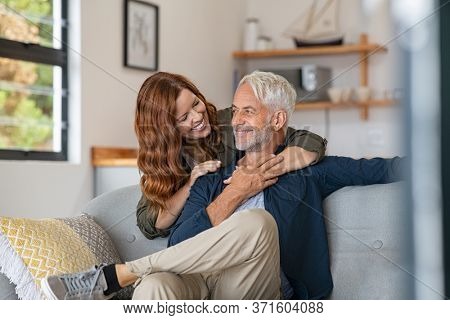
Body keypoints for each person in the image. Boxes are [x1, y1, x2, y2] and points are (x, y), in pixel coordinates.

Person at [40, 71, 327, 300]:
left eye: (196, 103)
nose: (198, 117)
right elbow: (150, 222)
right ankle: (118, 278)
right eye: (184, 117)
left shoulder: (227, 122)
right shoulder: (166, 160)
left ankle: (115, 276)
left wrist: (290, 158)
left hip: (237, 256)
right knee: (153, 287)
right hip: (191, 262)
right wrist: (191, 183)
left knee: (254, 222)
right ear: (167, 128)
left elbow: (299, 136)